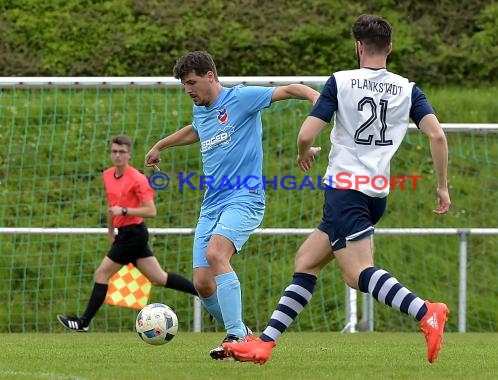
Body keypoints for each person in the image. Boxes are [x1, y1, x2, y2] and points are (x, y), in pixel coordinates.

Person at [223, 14, 452, 364]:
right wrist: (442, 188)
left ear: (358, 46)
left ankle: (426, 311)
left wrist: (304, 153)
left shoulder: (341, 82)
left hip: (345, 190)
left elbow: (306, 134)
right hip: (375, 194)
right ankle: (264, 342)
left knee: (357, 274)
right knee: (306, 261)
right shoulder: (408, 89)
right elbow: (437, 135)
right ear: (389, 48)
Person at [144, 51, 320, 360]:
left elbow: (289, 90)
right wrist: (161, 145)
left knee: (216, 254)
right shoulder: (201, 108)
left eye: (192, 83)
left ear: (210, 76)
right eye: (185, 85)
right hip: (212, 204)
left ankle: (236, 334)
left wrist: (315, 97)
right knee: (202, 282)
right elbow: (196, 129)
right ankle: (241, 333)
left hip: (245, 198)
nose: (188, 90)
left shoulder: (241, 98)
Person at [57, 135, 198, 332]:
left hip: (135, 234)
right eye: (114, 151)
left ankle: (83, 323)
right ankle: (203, 292)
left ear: (129, 155)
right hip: (123, 234)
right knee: (159, 278)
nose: (117, 155)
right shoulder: (107, 175)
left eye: (121, 152)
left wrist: (125, 211)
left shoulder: (138, 179)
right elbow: (111, 207)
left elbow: (151, 210)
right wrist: (110, 232)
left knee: (101, 273)